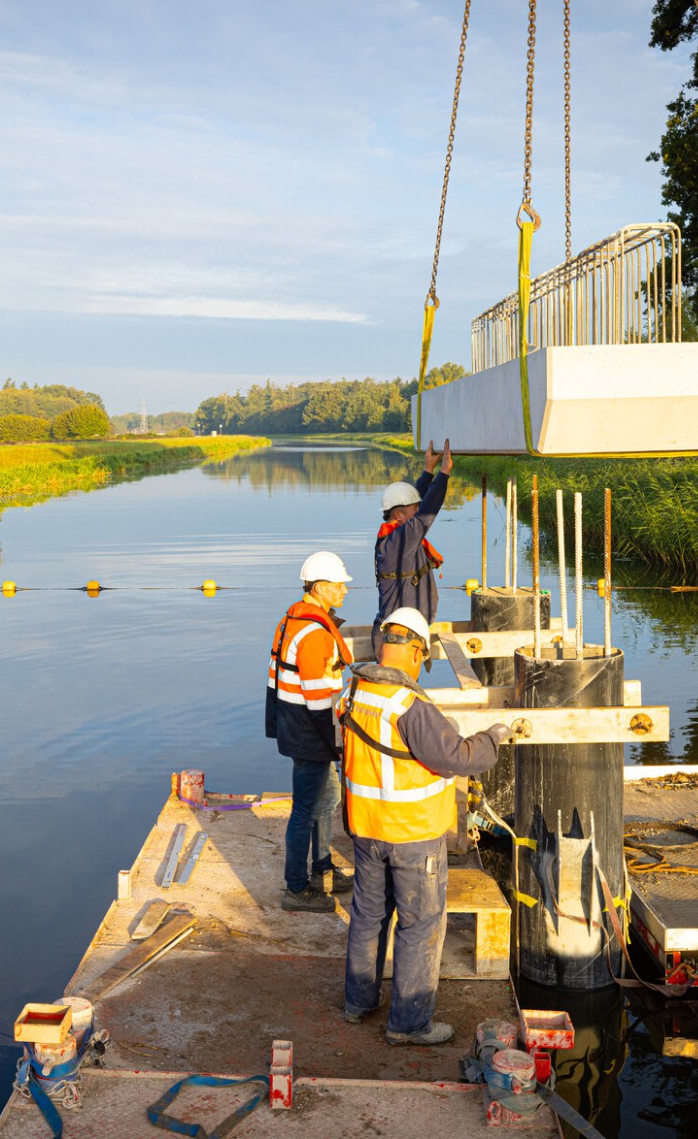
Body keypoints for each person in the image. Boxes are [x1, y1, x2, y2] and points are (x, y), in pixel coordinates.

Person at [337, 607, 508, 1045]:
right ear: (415, 651)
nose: (421, 666)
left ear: (381, 646)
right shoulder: (409, 704)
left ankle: (359, 1003)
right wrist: (494, 736)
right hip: (412, 834)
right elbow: (457, 758)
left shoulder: (356, 689)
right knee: (420, 925)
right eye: (422, 658)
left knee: (368, 916)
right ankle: (409, 1024)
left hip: (366, 828)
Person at [265, 551, 356, 913]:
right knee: (304, 810)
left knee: (326, 800)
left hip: (293, 724)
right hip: (310, 731)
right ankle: (296, 888)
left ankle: (321, 868)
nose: (344, 591)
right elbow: (319, 701)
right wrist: (337, 743)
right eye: (338, 585)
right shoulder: (316, 633)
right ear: (319, 589)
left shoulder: (292, 618)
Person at [375, 439, 453, 639]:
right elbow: (426, 512)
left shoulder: (396, 534)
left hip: (405, 629)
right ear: (400, 515)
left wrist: (428, 471)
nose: (418, 511)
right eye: (414, 510)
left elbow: (419, 503)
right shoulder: (399, 541)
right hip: (400, 635)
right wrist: (443, 474)